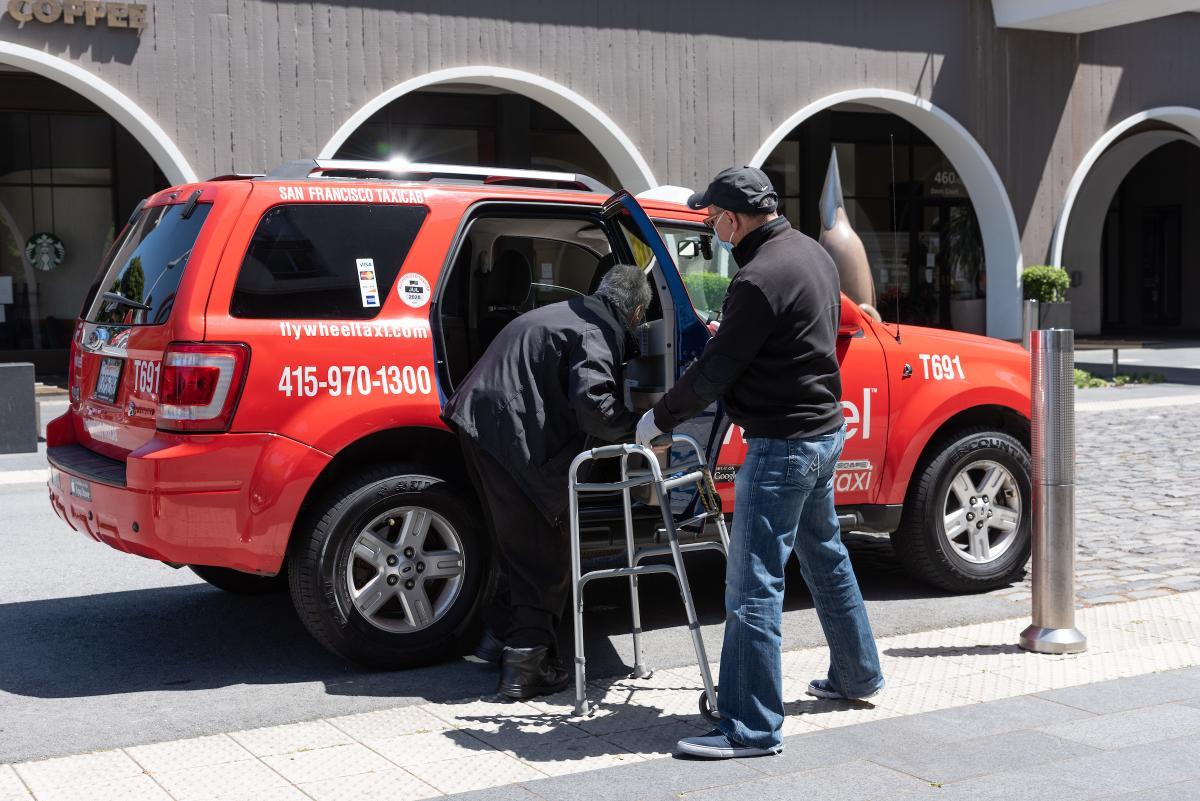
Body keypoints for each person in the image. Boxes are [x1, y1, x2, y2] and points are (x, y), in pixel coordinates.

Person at [635, 166, 884, 758]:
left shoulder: (757, 277)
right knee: (826, 556)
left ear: (735, 218)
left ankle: (749, 726)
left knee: (752, 586)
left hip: (782, 446)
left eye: (714, 218)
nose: (713, 227)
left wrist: (661, 418)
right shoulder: (812, 255)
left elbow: (716, 372)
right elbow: (793, 334)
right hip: (824, 434)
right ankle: (858, 674)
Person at [444, 263, 650, 700]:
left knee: (514, 543)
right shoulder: (597, 331)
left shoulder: (566, 311)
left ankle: (497, 639)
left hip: (479, 424)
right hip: (512, 436)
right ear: (634, 315)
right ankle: (525, 667)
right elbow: (595, 406)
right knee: (544, 554)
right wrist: (641, 427)